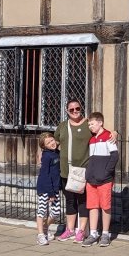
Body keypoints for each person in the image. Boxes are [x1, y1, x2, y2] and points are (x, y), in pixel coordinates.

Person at [54, 98, 91, 242]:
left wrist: (114, 133)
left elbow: (102, 132)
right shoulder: (63, 126)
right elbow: (54, 142)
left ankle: (81, 231)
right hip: (66, 170)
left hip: (82, 170)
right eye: (71, 109)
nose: (75, 111)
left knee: (82, 201)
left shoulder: (88, 124)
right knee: (69, 200)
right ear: (67, 111)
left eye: (77, 108)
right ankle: (69, 230)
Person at [82, 111, 118, 247]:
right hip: (91, 179)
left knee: (105, 206)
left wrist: (106, 172)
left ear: (100, 123)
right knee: (92, 206)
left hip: (104, 179)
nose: (90, 126)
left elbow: (114, 156)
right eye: (89, 124)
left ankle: (105, 234)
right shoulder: (92, 139)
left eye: (92, 124)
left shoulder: (108, 136)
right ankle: (93, 233)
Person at [34, 133, 61, 246]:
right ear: (44, 146)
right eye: (48, 143)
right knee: (42, 211)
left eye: (52, 140)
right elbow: (46, 174)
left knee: (56, 212)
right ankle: (40, 235)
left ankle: (45, 228)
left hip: (55, 187)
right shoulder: (46, 156)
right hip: (45, 187)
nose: (51, 143)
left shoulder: (56, 153)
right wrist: (50, 193)